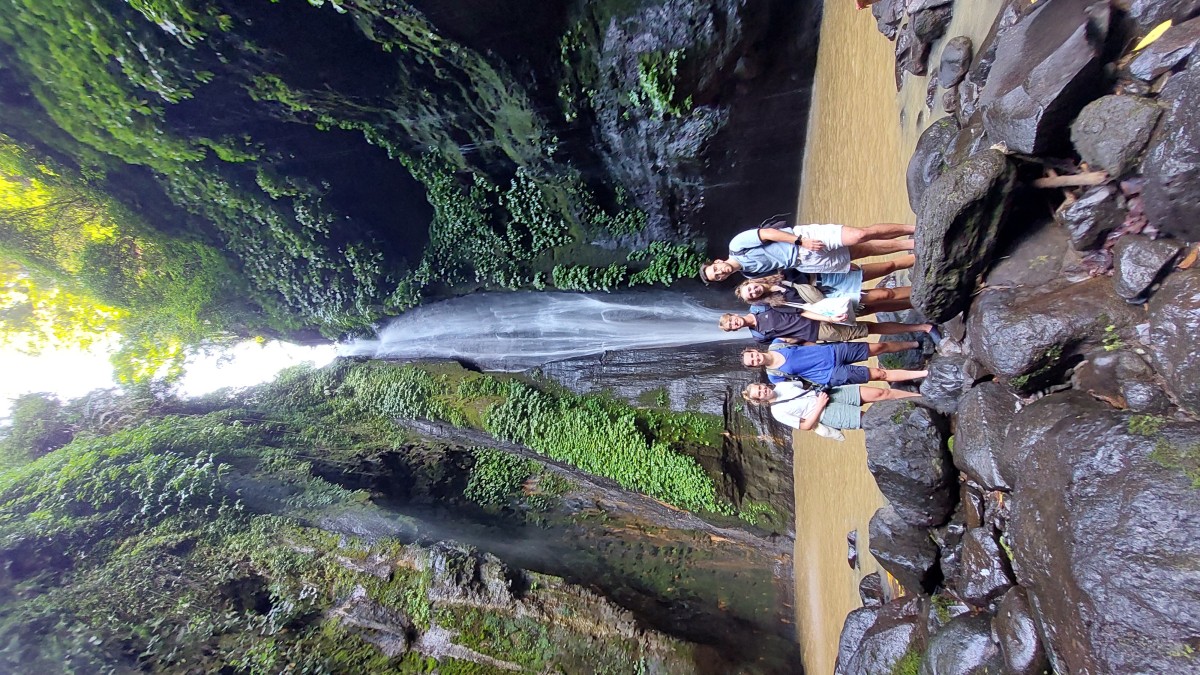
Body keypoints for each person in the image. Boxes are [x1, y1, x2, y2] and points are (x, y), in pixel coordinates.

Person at [699, 222, 915, 284]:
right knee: (865, 250)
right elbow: (781, 272)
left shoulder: (737, 245)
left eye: (716, 270)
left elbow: (768, 233)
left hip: (804, 239)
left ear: (717, 261)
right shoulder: (748, 274)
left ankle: (913, 228)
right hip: (806, 262)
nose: (720, 273)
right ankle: (911, 245)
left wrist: (802, 241)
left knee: (860, 235)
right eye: (718, 277)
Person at [742, 381, 921, 432]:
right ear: (759, 400)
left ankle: (921, 399)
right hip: (827, 413)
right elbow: (805, 426)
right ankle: (915, 423)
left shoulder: (782, 385)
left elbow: (805, 385)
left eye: (760, 388)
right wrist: (819, 406)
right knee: (873, 420)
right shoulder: (777, 412)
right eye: (760, 394)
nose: (763, 391)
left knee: (881, 393)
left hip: (832, 394)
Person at [719, 307, 939, 345]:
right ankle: (923, 328)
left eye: (731, 320)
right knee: (869, 328)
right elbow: (787, 340)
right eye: (732, 327)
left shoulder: (759, 306)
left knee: (867, 306)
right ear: (735, 330)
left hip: (818, 311)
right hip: (818, 332)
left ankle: (915, 301)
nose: (734, 323)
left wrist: (827, 314)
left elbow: (793, 307)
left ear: (733, 314)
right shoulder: (758, 336)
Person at [734, 271, 916, 317]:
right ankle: (917, 300)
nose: (754, 291)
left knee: (884, 291)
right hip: (830, 299)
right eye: (752, 295)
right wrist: (830, 317)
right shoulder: (776, 303)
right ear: (755, 299)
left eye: (750, 288)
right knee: (881, 296)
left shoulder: (775, 272)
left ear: (751, 282)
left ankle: (920, 290)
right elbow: (804, 311)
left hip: (828, 279)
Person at [741, 342, 927, 386]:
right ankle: (924, 374)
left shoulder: (777, 343)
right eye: (753, 362)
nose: (756, 359)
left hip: (833, 351)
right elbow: (796, 389)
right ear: (755, 366)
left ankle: (915, 343)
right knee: (879, 374)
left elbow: (804, 335)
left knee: (878, 347)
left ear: (754, 350)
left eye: (753, 356)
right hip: (830, 375)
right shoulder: (775, 376)